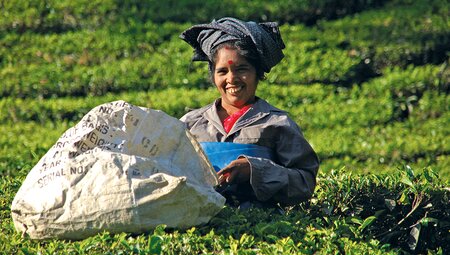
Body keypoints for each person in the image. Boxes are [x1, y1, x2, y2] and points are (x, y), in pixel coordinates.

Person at [179, 17, 319, 209]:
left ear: (258, 73)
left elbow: (305, 182)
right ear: (213, 76)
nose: (232, 79)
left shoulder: (277, 123)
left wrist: (255, 170)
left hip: (260, 230)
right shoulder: (190, 123)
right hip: (199, 228)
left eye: (241, 69)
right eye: (222, 71)